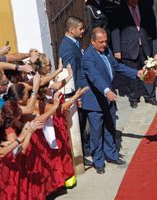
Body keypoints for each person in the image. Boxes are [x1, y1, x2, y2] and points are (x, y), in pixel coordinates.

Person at [81, 27, 144, 174]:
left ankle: (112, 155)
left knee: (110, 128)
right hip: (96, 102)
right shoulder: (88, 57)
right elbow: (95, 76)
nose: (104, 44)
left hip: (109, 99)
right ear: (92, 42)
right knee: (96, 133)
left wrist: (137, 73)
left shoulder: (107, 51)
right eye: (101, 42)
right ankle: (99, 162)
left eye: (105, 41)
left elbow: (118, 67)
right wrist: (106, 90)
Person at [58, 16, 92, 166]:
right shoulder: (67, 47)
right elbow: (71, 73)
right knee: (80, 122)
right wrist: (77, 96)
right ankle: (82, 153)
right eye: (80, 28)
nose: (83, 31)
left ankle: (86, 148)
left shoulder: (74, 42)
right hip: (77, 91)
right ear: (71, 30)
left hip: (81, 89)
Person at [111, 0, 157, 108]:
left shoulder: (145, 7)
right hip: (128, 47)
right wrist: (117, 49)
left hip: (146, 45)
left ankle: (149, 95)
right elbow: (115, 30)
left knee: (149, 70)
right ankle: (134, 97)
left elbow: (153, 29)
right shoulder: (119, 10)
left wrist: (155, 50)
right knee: (132, 71)